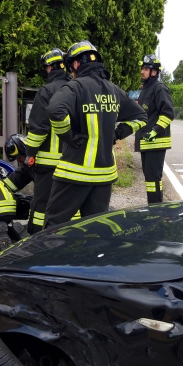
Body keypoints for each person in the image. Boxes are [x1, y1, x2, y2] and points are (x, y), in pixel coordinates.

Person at [44, 40, 148, 228]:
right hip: (104, 176)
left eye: (70, 69)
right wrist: (117, 134)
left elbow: (55, 110)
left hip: (74, 172)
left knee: (54, 227)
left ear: (76, 64)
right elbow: (141, 117)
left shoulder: (75, 87)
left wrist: (67, 136)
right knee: (96, 229)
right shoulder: (115, 90)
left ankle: (51, 258)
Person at [11, 48, 72, 234]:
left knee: (41, 204)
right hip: (73, 161)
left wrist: (30, 153)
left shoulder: (47, 91)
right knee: (69, 202)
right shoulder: (76, 88)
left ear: (50, 68)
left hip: (48, 163)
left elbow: (38, 128)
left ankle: (36, 239)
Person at [135, 54, 174, 203]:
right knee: (149, 179)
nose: (142, 72)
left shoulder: (159, 88)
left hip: (155, 142)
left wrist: (155, 131)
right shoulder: (146, 89)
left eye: (146, 69)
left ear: (155, 72)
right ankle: (153, 207)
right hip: (146, 142)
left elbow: (168, 113)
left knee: (153, 179)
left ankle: (156, 210)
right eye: (142, 68)